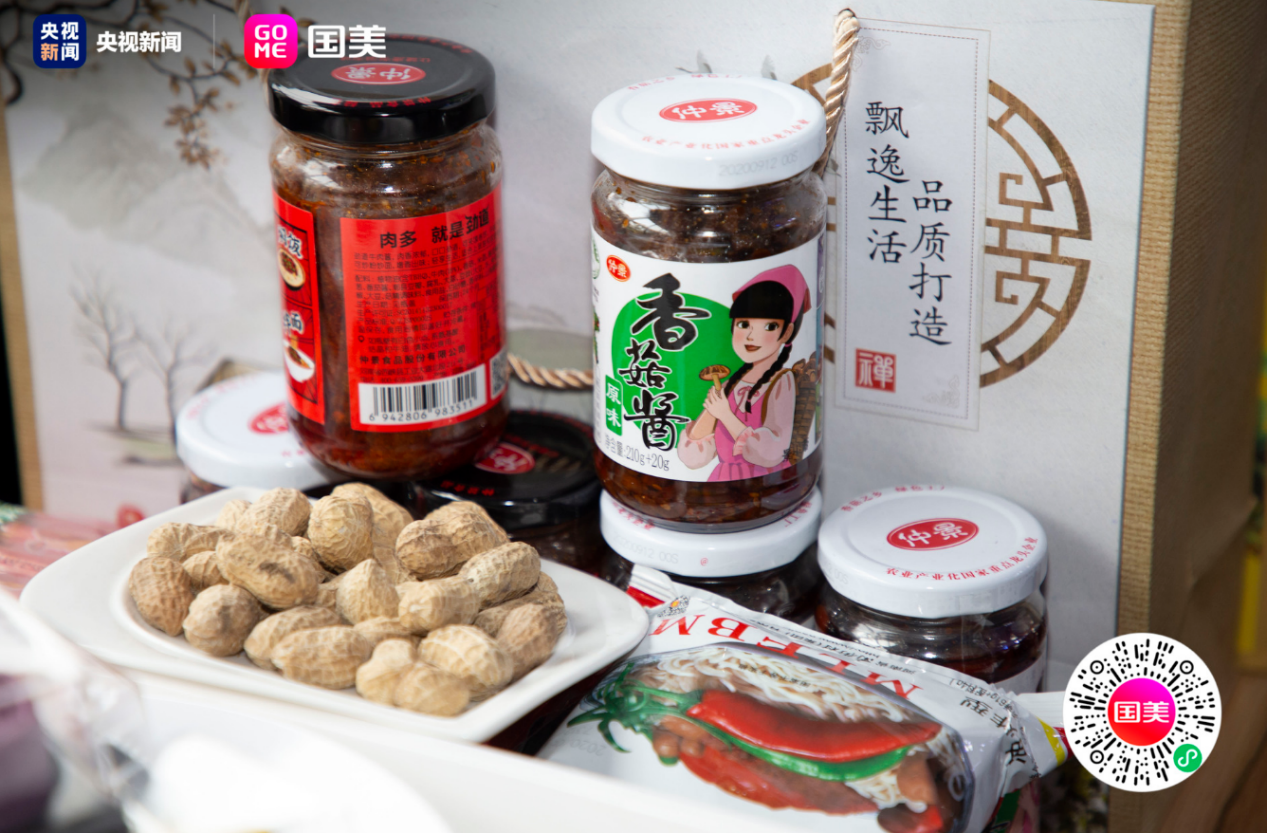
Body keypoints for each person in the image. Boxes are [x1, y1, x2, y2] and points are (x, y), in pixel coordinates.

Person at [679, 265, 810, 481]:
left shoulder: (782, 380)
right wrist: (713, 410)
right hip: (723, 480)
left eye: (769, 326)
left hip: (767, 480)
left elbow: (772, 452)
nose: (750, 336)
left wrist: (725, 414)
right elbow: (693, 458)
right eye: (743, 324)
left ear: (787, 332)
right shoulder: (730, 384)